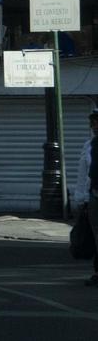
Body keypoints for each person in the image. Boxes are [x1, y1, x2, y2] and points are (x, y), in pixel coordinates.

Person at [81, 110, 98, 287]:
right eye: (92, 123)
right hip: (95, 194)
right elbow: (85, 173)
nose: (94, 127)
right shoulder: (90, 145)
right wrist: (83, 197)